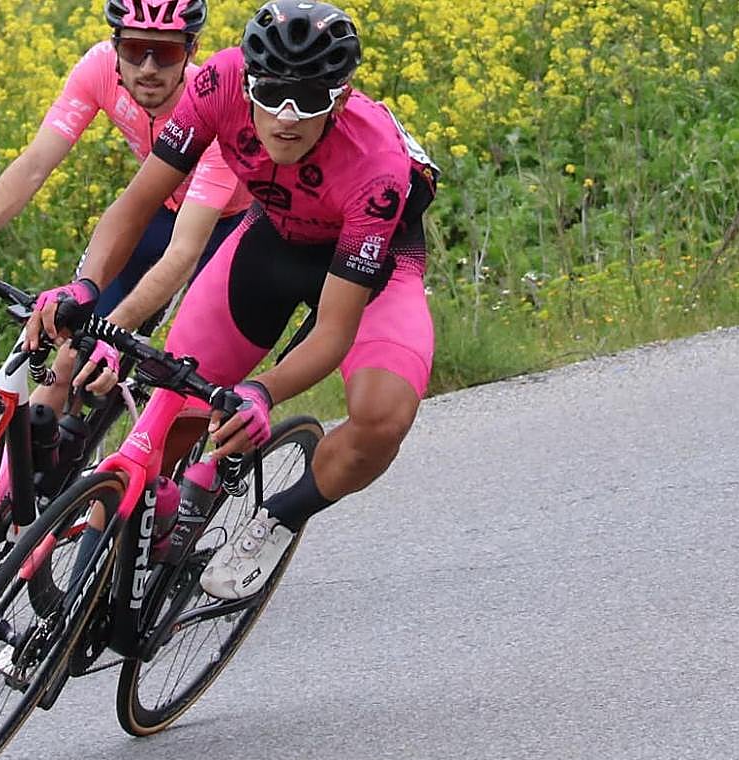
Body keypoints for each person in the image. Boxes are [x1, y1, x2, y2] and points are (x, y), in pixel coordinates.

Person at [26, 0, 440, 600]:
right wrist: (84, 289)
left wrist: (262, 391)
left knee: (383, 419)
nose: (288, 117)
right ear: (247, 82)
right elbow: (138, 203)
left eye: (311, 99)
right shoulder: (217, 84)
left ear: (342, 99)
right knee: (172, 403)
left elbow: (333, 328)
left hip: (373, 267)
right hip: (272, 240)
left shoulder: (375, 165)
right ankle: (119, 556)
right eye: (272, 94)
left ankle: (279, 517)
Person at [0, 0, 250, 387]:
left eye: (166, 54)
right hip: (158, 209)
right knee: (72, 339)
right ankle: (50, 441)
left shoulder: (208, 108)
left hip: (225, 225)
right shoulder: (99, 68)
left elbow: (185, 252)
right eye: (134, 50)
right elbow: (36, 162)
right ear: (115, 44)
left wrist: (117, 329)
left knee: (196, 373)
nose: (148, 68)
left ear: (191, 50)